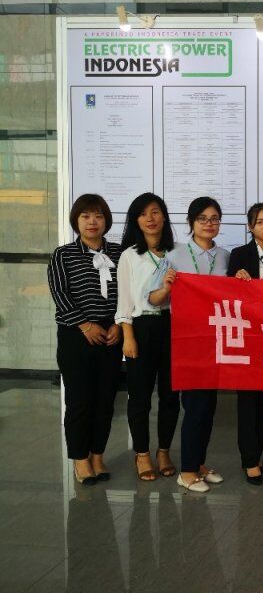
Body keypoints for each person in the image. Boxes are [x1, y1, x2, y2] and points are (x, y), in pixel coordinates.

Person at [150, 196, 230, 493]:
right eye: (202, 219)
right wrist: (167, 287)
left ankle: (198, 463)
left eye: (214, 219)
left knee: (209, 406)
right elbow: (153, 299)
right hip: (187, 340)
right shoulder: (174, 254)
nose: (209, 224)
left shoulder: (225, 256)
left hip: (215, 340)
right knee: (195, 406)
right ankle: (186, 471)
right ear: (191, 222)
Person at [48, 194, 122, 484]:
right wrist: (84, 324)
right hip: (75, 334)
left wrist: (119, 323)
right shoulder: (63, 254)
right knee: (80, 400)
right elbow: (60, 293)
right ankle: (81, 460)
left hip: (111, 333)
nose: (92, 222)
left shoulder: (119, 253)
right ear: (76, 221)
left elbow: (127, 292)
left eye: (99, 216)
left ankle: (98, 456)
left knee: (105, 400)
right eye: (86, 216)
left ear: (106, 221)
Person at [116, 193, 179, 481]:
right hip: (141, 328)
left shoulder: (177, 253)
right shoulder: (130, 255)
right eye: (143, 214)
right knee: (139, 397)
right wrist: (128, 337)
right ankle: (142, 454)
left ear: (164, 216)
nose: (150, 219)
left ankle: (164, 451)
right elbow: (124, 301)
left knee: (170, 395)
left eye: (155, 212)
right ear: (136, 221)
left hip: (173, 327)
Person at [227, 202, 263, 484]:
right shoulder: (240, 255)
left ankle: (257, 454)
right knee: (248, 401)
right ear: (250, 227)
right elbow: (228, 293)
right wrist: (236, 279)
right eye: (260, 222)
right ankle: (249, 460)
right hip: (249, 337)